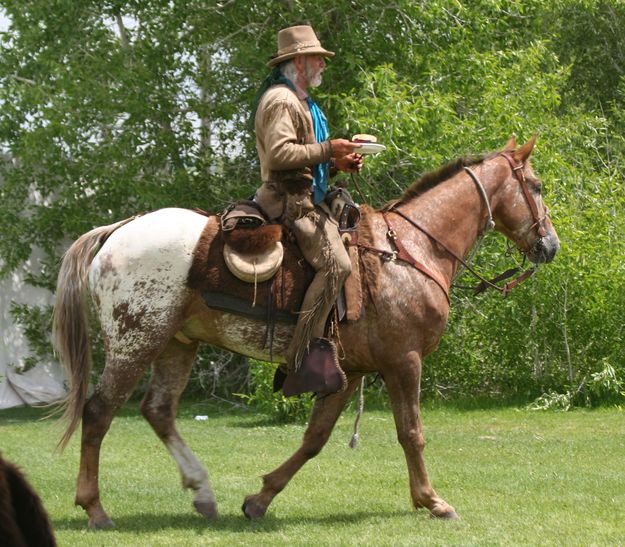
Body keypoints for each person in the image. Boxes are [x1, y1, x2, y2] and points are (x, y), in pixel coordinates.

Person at [252, 24, 363, 387]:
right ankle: (298, 360)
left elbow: (303, 161)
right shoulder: (281, 101)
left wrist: (335, 164)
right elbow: (282, 153)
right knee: (336, 266)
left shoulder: (301, 102)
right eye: (318, 58)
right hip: (288, 203)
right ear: (300, 62)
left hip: (304, 196)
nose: (323, 65)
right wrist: (330, 148)